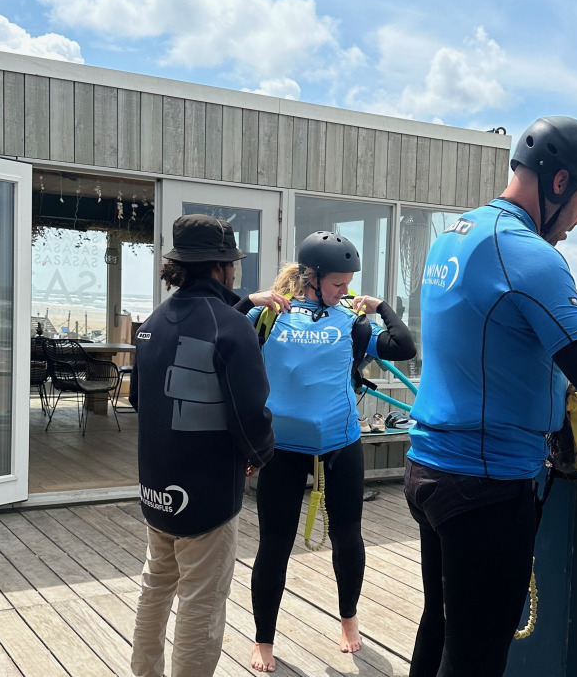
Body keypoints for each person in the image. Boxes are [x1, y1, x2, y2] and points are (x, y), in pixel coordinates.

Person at [404, 116, 577, 677]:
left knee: (440, 627)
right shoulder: (527, 252)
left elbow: (493, 336)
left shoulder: (458, 234)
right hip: (487, 485)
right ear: (558, 183)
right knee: (477, 655)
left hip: (430, 468)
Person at [238, 231, 417, 673]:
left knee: (347, 537)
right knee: (273, 545)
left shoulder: (353, 324)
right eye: (338, 284)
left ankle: (349, 619)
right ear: (310, 279)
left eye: (349, 283)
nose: (345, 292)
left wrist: (381, 308)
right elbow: (217, 329)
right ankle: (263, 639)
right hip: (282, 449)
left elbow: (405, 347)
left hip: (340, 445)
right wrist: (250, 301)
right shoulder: (270, 318)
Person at [129, 214, 275, 677]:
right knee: (202, 603)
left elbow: (136, 399)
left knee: (156, 586)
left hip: (156, 486)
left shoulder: (152, 322)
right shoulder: (231, 327)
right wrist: (259, 455)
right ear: (221, 266)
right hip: (207, 493)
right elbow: (250, 411)